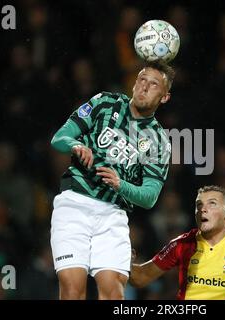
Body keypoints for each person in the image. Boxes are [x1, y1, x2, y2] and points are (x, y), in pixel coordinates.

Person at [49, 61, 174, 300]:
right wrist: (76, 144)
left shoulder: (159, 140)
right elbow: (60, 137)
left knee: (113, 293)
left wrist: (120, 184)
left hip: (113, 214)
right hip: (74, 204)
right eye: (141, 79)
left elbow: (149, 197)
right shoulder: (105, 102)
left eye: (153, 84)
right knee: (73, 289)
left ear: (165, 97)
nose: (143, 87)